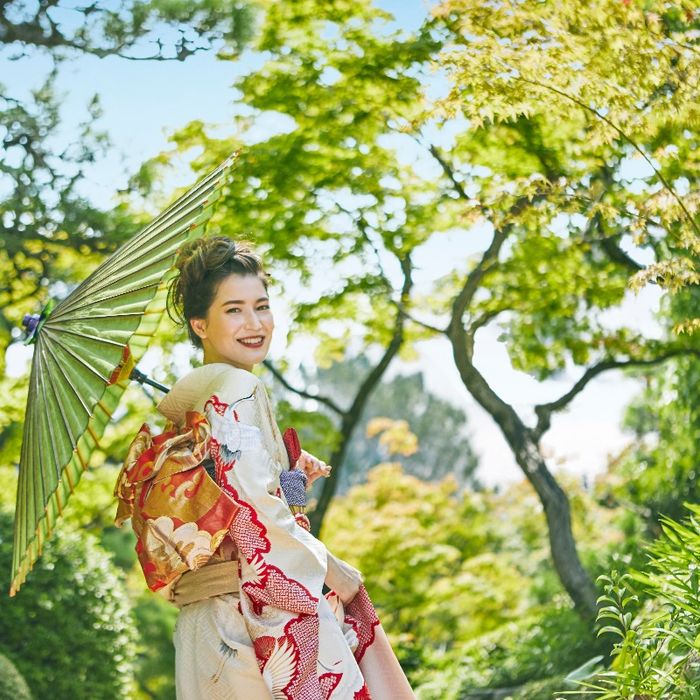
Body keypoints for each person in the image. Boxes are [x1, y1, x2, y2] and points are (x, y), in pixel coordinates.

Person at [113, 236, 414, 699]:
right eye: (233, 310)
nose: (254, 324)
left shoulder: (188, 400)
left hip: (202, 625)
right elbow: (253, 511)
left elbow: (230, 495)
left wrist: (291, 482)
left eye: (262, 306)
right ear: (200, 324)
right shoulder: (236, 387)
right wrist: (334, 571)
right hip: (245, 618)